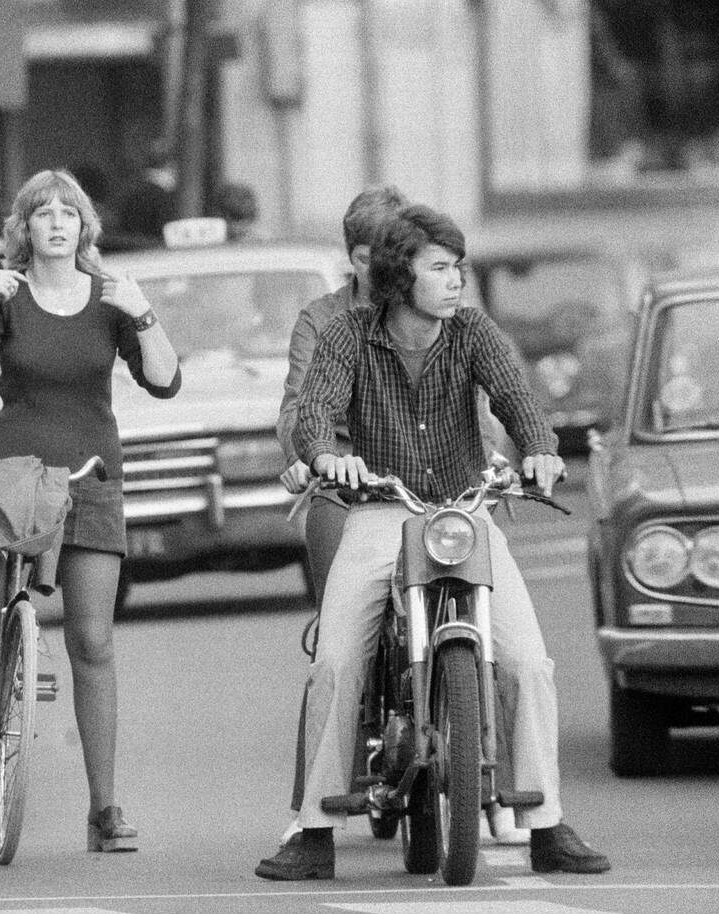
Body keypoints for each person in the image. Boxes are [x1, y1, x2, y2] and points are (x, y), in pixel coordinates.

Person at [255, 204, 611, 881]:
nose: (456, 282)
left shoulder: (473, 331)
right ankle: (315, 828)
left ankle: (547, 823)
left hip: (463, 509)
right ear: (399, 277)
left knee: (528, 661)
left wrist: (540, 451)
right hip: (381, 511)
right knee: (334, 660)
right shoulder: (346, 336)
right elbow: (315, 413)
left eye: (459, 268)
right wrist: (331, 456)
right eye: (440, 269)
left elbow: (517, 397)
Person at [0, 169, 181, 851]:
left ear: (85, 226)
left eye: (68, 212)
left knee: (93, 640)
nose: (56, 222)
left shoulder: (111, 298)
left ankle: (105, 810)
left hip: (90, 476)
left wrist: (142, 311)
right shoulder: (7, 297)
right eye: (42, 213)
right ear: (22, 230)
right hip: (13, 477)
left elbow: (168, 381)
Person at [275, 184, 405, 821]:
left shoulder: (432, 311)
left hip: (427, 487)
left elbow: (477, 399)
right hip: (345, 487)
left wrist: (498, 453)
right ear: (356, 260)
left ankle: (490, 777)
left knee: (486, 618)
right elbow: (300, 407)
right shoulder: (322, 319)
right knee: (339, 641)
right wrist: (313, 456)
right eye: (388, 255)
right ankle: (310, 812)